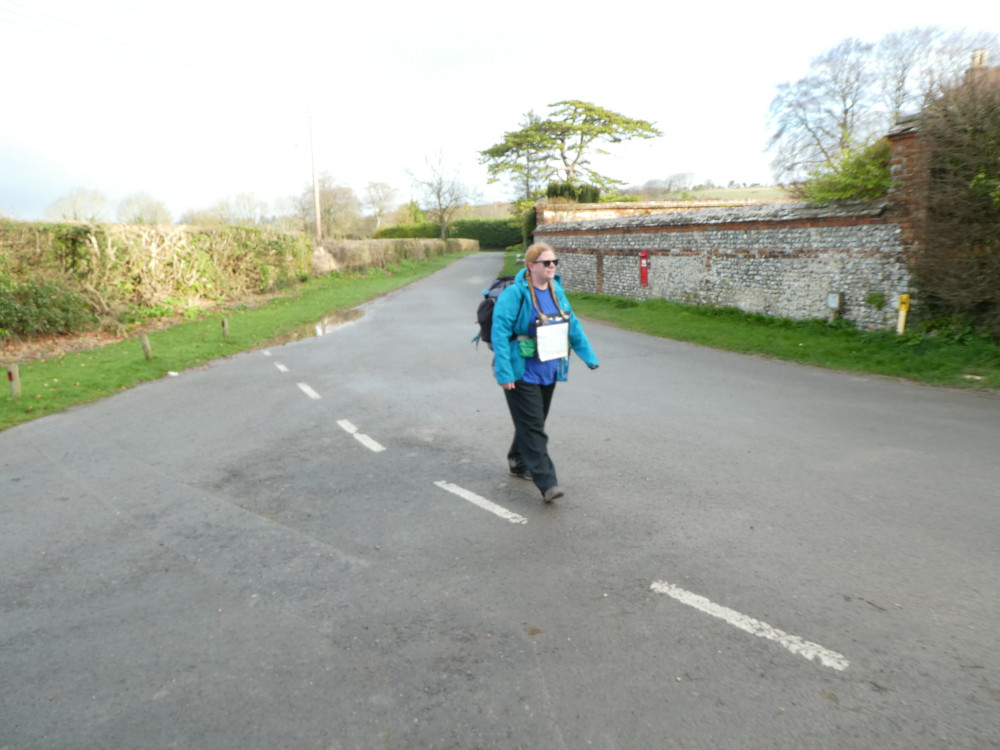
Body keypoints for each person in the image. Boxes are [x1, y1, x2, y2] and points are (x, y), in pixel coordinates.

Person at [491, 242, 599, 503]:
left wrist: (589, 356)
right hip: (521, 371)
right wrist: (504, 373)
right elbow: (500, 334)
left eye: (554, 262)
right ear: (531, 266)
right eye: (546, 263)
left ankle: (518, 460)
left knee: (532, 422)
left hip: (549, 369)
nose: (552, 266)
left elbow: (572, 326)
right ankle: (547, 482)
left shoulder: (557, 292)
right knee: (534, 427)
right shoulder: (514, 295)